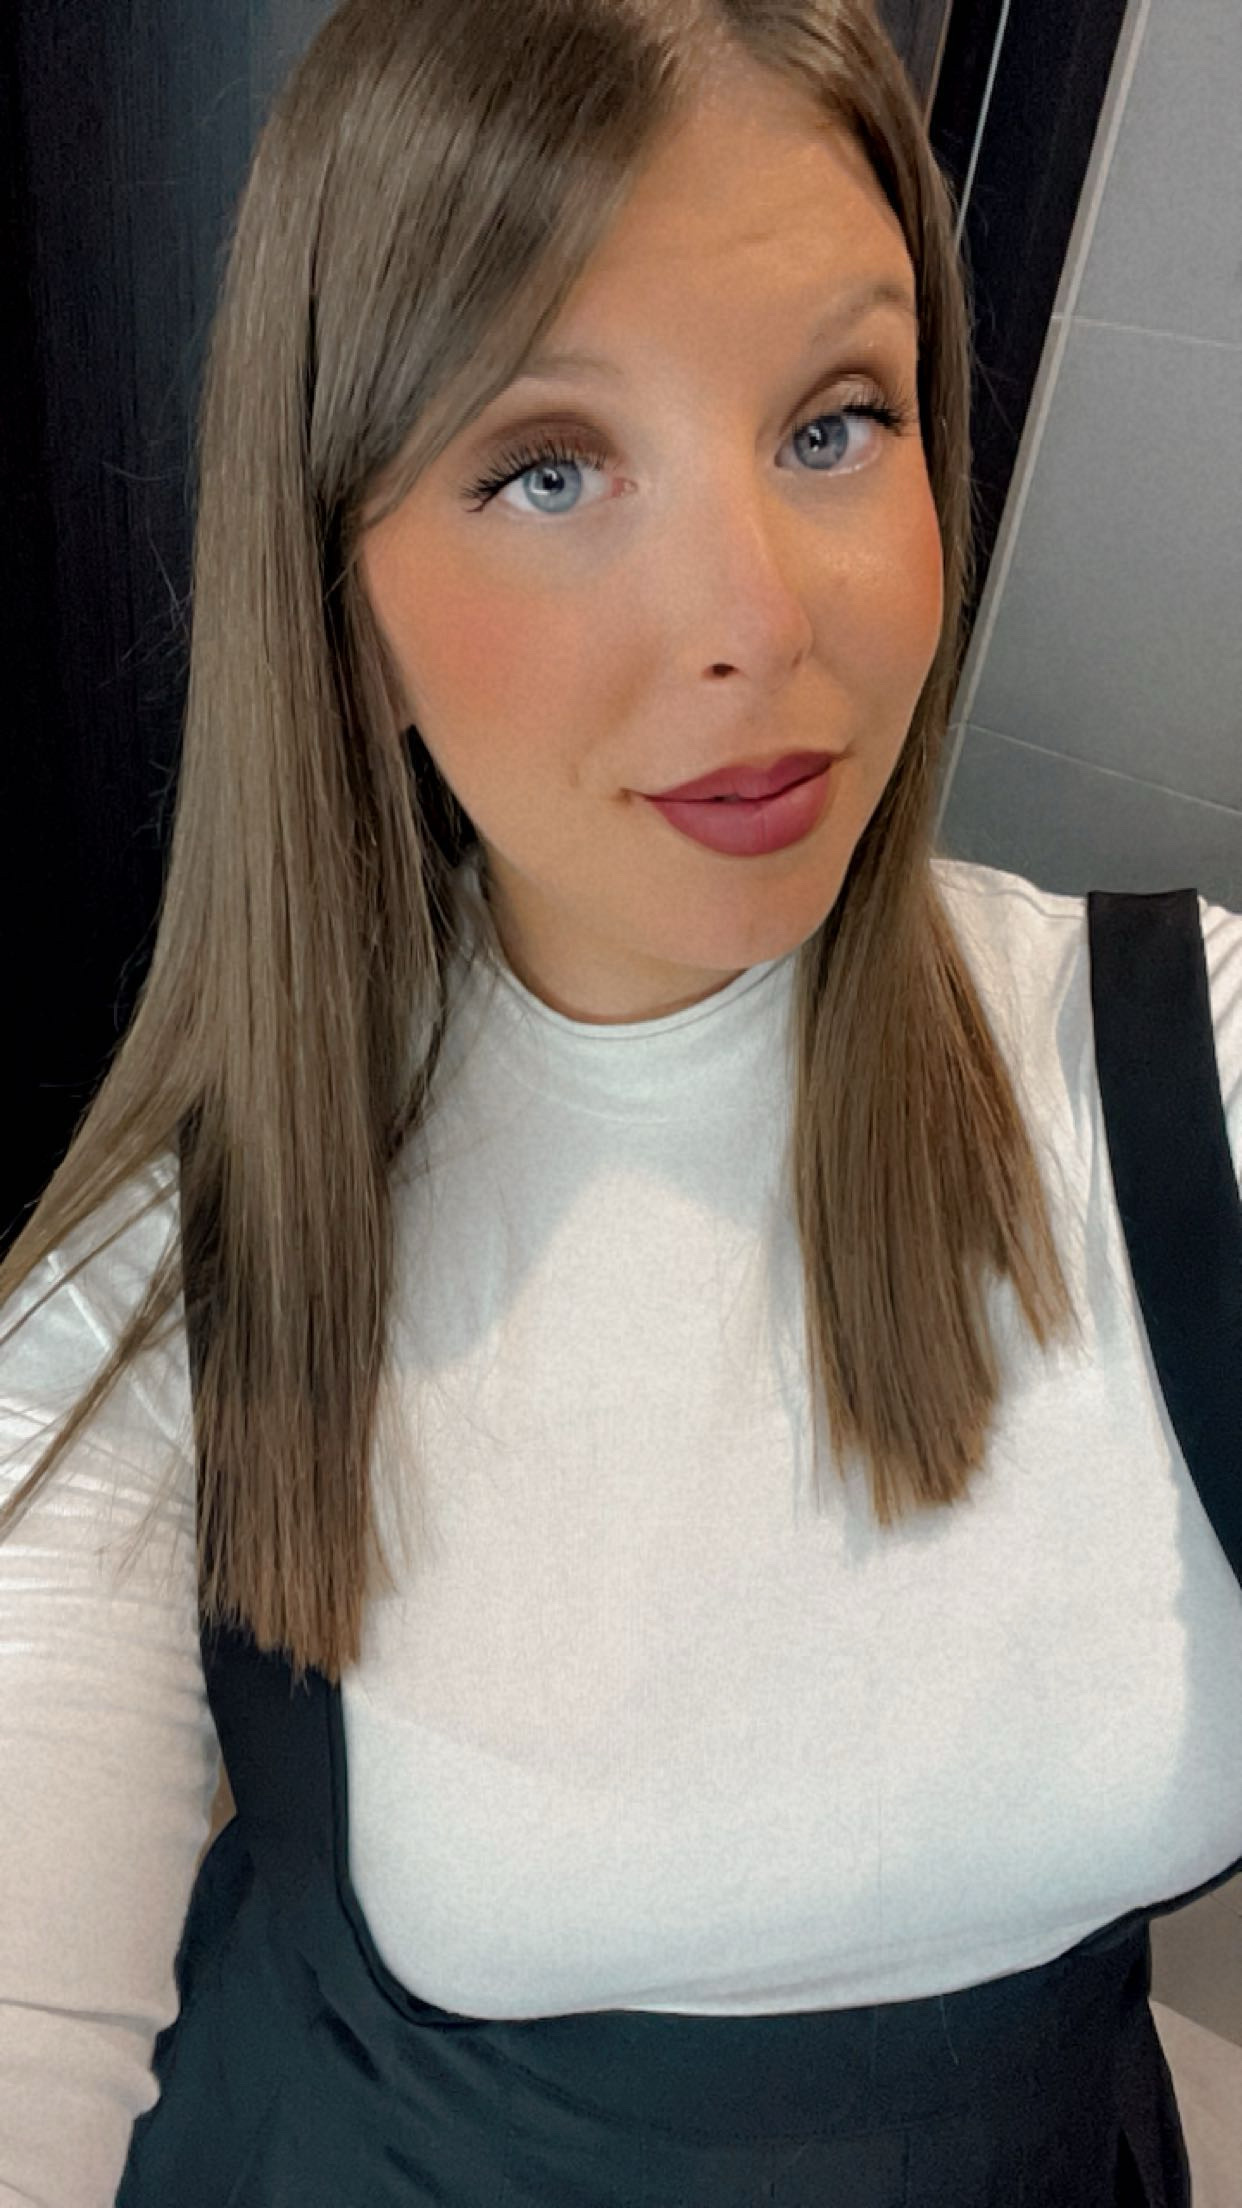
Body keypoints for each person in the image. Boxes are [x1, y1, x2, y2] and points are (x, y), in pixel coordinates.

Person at [1, 1, 1239, 2202]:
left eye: (835, 422)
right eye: (548, 468)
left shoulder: (1183, 1081)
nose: (757, 618)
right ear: (342, 592)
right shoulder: (160, 1300)